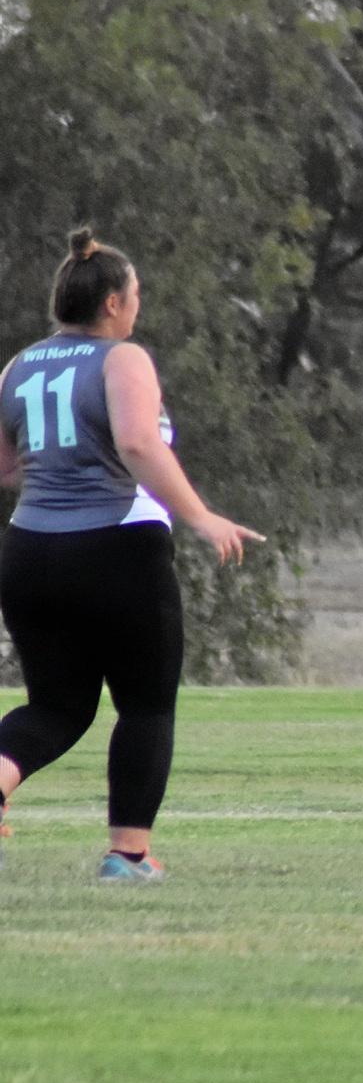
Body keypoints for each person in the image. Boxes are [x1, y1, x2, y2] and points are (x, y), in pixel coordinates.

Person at [0, 229, 262, 881]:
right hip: (116, 548)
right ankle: (128, 855)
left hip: (29, 550)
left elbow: (6, 467)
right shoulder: (122, 360)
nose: (137, 305)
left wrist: (56, 472)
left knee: (57, 707)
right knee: (145, 705)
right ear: (113, 302)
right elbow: (140, 444)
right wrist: (200, 516)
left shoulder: (19, 366)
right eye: (136, 294)